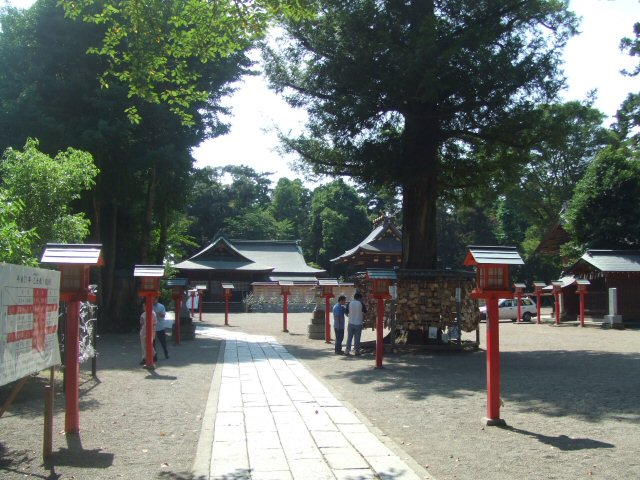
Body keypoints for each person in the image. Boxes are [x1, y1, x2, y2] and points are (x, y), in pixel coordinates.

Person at [345, 292, 366, 356]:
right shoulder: (361, 304)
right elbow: (365, 312)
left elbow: (346, 313)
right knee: (357, 338)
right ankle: (357, 351)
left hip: (350, 323)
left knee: (349, 338)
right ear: (360, 298)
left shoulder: (349, 303)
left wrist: (350, 316)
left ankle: (347, 351)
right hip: (358, 323)